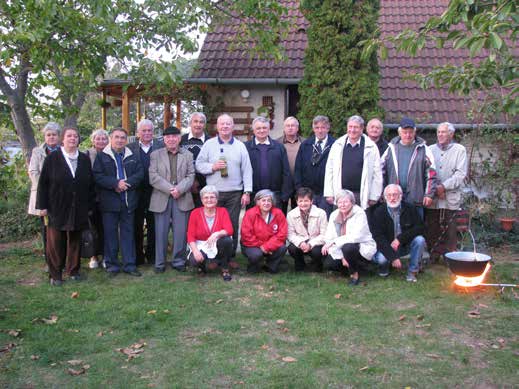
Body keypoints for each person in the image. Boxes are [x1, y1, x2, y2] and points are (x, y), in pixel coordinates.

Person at [36, 127, 94, 286]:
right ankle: (55, 275)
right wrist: (42, 206)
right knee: (55, 242)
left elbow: (90, 184)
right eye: (69, 136)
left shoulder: (84, 158)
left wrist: (89, 205)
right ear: (63, 139)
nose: (72, 138)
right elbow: (43, 184)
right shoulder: (52, 158)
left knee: (75, 240)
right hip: (57, 206)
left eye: (76, 136)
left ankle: (73, 270)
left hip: (79, 207)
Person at [196, 114, 253, 266]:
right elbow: (199, 165)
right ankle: (213, 256)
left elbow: (247, 170)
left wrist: (247, 192)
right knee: (213, 226)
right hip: (213, 194)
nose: (225, 126)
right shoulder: (209, 144)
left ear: (232, 126)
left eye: (228, 124)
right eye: (222, 124)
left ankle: (230, 257)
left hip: (234, 193)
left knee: (232, 225)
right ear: (217, 127)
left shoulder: (240, 146)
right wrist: (212, 167)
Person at [93, 127, 144, 278]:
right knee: (110, 235)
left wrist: (126, 183)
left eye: (123, 137)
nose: (120, 140)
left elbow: (140, 174)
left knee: (128, 234)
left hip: (128, 201)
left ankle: (129, 265)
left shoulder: (132, 155)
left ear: (126, 140)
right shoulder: (102, 156)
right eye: (117, 137)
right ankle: (112, 265)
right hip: (109, 202)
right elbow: (97, 176)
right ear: (111, 138)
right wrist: (115, 183)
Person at [149, 126, 195, 273]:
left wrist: (179, 189)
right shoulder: (155, 155)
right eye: (168, 137)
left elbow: (191, 175)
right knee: (160, 232)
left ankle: (178, 261)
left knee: (180, 232)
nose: (171, 139)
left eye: (174, 136)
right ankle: (160, 263)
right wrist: (170, 189)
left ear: (179, 138)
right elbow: (153, 176)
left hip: (182, 197)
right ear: (164, 139)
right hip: (161, 196)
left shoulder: (187, 155)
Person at [426, 122, 467, 262]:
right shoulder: (430, 149)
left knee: (450, 229)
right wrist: (436, 188)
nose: (440, 135)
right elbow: (427, 171)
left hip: (451, 197)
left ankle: (450, 257)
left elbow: (460, 174)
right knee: (432, 226)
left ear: (451, 134)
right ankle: (434, 253)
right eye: (438, 132)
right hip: (434, 197)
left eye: (444, 132)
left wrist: (444, 186)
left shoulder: (459, 150)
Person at [381, 117, 437, 219]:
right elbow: (381, 172)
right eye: (405, 132)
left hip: (416, 198)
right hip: (394, 198)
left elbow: (431, 173)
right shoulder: (391, 149)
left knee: (416, 228)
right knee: (395, 229)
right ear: (399, 133)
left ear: (415, 133)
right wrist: (382, 193)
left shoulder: (423, 149)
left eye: (411, 132)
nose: (408, 135)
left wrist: (429, 194)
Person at [324, 115, 382, 210]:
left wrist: (374, 195)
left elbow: (377, 173)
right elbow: (329, 169)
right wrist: (329, 193)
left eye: (356, 127)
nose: (352, 130)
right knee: (341, 223)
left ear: (362, 128)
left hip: (361, 195)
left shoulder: (371, 147)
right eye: (350, 127)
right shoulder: (337, 145)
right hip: (341, 194)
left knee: (360, 223)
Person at [370, 184, 427, 282]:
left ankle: (412, 271)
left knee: (420, 240)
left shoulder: (410, 208)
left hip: (404, 245)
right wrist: (393, 257)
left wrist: (399, 239)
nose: (392, 198)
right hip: (386, 247)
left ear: (400, 195)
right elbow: (378, 237)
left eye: (395, 195)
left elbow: (420, 227)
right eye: (389, 195)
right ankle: (384, 267)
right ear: (385, 197)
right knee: (382, 260)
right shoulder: (378, 212)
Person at [128, 119, 164, 266]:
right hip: (136, 192)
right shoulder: (129, 148)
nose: (147, 133)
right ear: (138, 133)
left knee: (154, 225)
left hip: (155, 192)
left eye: (150, 130)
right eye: (144, 130)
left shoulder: (160, 146)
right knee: (136, 225)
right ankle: (137, 257)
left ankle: (153, 255)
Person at [322, 190, 377, 286]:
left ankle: (354, 274)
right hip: (341, 248)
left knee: (348, 247)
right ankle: (353, 268)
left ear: (352, 202)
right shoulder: (334, 214)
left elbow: (356, 236)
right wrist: (342, 257)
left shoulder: (359, 213)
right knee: (329, 264)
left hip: (359, 246)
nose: (342, 205)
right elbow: (330, 236)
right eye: (340, 202)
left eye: (346, 202)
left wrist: (335, 242)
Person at [28, 122, 62, 265]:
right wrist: (46, 188)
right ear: (44, 136)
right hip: (44, 196)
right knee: (47, 228)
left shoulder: (64, 150)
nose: (51, 137)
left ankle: (61, 257)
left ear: (59, 136)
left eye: (54, 134)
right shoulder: (37, 151)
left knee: (60, 227)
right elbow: (33, 172)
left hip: (61, 196)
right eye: (48, 135)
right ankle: (49, 259)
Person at [187, 185, 234, 281]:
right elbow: (190, 235)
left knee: (227, 241)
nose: (209, 200)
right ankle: (202, 268)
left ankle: (224, 267)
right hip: (201, 244)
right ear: (202, 200)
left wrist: (216, 234)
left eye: (212, 197)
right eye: (206, 197)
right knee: (194, 260)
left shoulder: (222, 211)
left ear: (217, 199)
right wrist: (195, 251)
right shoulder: (195, 213)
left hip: (217, 242)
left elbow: (229, 230)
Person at [245, 116, 293, 209]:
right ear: (253, 130)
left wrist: (285, 194)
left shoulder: (279, 147)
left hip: (275, 195)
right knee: (255, 223)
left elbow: (286, 171)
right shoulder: (246, 147)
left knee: (275, 222)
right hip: (254, 196)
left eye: (264, 128)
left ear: (269, 129)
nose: (261, 130)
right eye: (258, 128)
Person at [294, 115, 336, 217]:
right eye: (317, 128)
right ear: (313, 129)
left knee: (324, 219)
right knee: (308, 219)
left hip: (326, 192)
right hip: (308, 192)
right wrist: (300, 189)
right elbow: (298, 168)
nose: (320, 131)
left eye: (323, 127)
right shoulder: (306, 145)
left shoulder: (335, 145)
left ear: (328, 128)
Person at [241, 190, 288, 274]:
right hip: (253, 244)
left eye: (269, 200)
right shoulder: (250, 213)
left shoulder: (278, 213)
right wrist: (261, 246)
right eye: (263, 200)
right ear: (258, 202)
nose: (266, 203)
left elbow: (282, 234)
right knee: (256, 255)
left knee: (282, 248)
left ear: (272, 202)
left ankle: (270, 266)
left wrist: (267, 246)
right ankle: (254, 265)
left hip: (270, 245)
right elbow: (246, 234)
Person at [286, 187, 327, 272]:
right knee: (292, 248)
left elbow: (324, 234)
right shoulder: (291, 214)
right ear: (297, 202)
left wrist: (311, 244)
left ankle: (317, 264)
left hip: (316, 242)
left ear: (311, 201)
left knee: (317, 252)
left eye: (306, 201)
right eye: (300, 201)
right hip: (301, 241)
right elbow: (290, 234)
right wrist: (300, 242)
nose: (303, 204)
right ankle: (300, 264)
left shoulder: (321, 213)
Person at [85, 129, 109, 269]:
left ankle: (106, 255)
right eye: (98, 139)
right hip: (91, 198)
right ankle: (93, 256)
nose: (101, 141)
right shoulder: (86, 155)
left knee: (106, 228)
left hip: (107, 196)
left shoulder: (110, 154)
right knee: (92, 228)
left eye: (103, 139)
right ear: (93, 140)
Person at [180, 112, 210, 207]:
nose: (198, 124)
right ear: (190, 123)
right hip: (184, 186)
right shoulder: (181, 140)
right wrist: (191, 181)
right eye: (195, 121)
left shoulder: (210, 142)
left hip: (206, 187)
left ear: (204, 125)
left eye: (201, 122)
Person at [276, 116, 305, 213]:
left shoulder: (305, 143)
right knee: (281, 212)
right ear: (284, 128)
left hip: (300, 182)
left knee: (299, 212)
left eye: (293, 125)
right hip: (282, 183)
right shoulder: (276, 143)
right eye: (287, 126)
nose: (290, 128)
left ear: (297, 128)